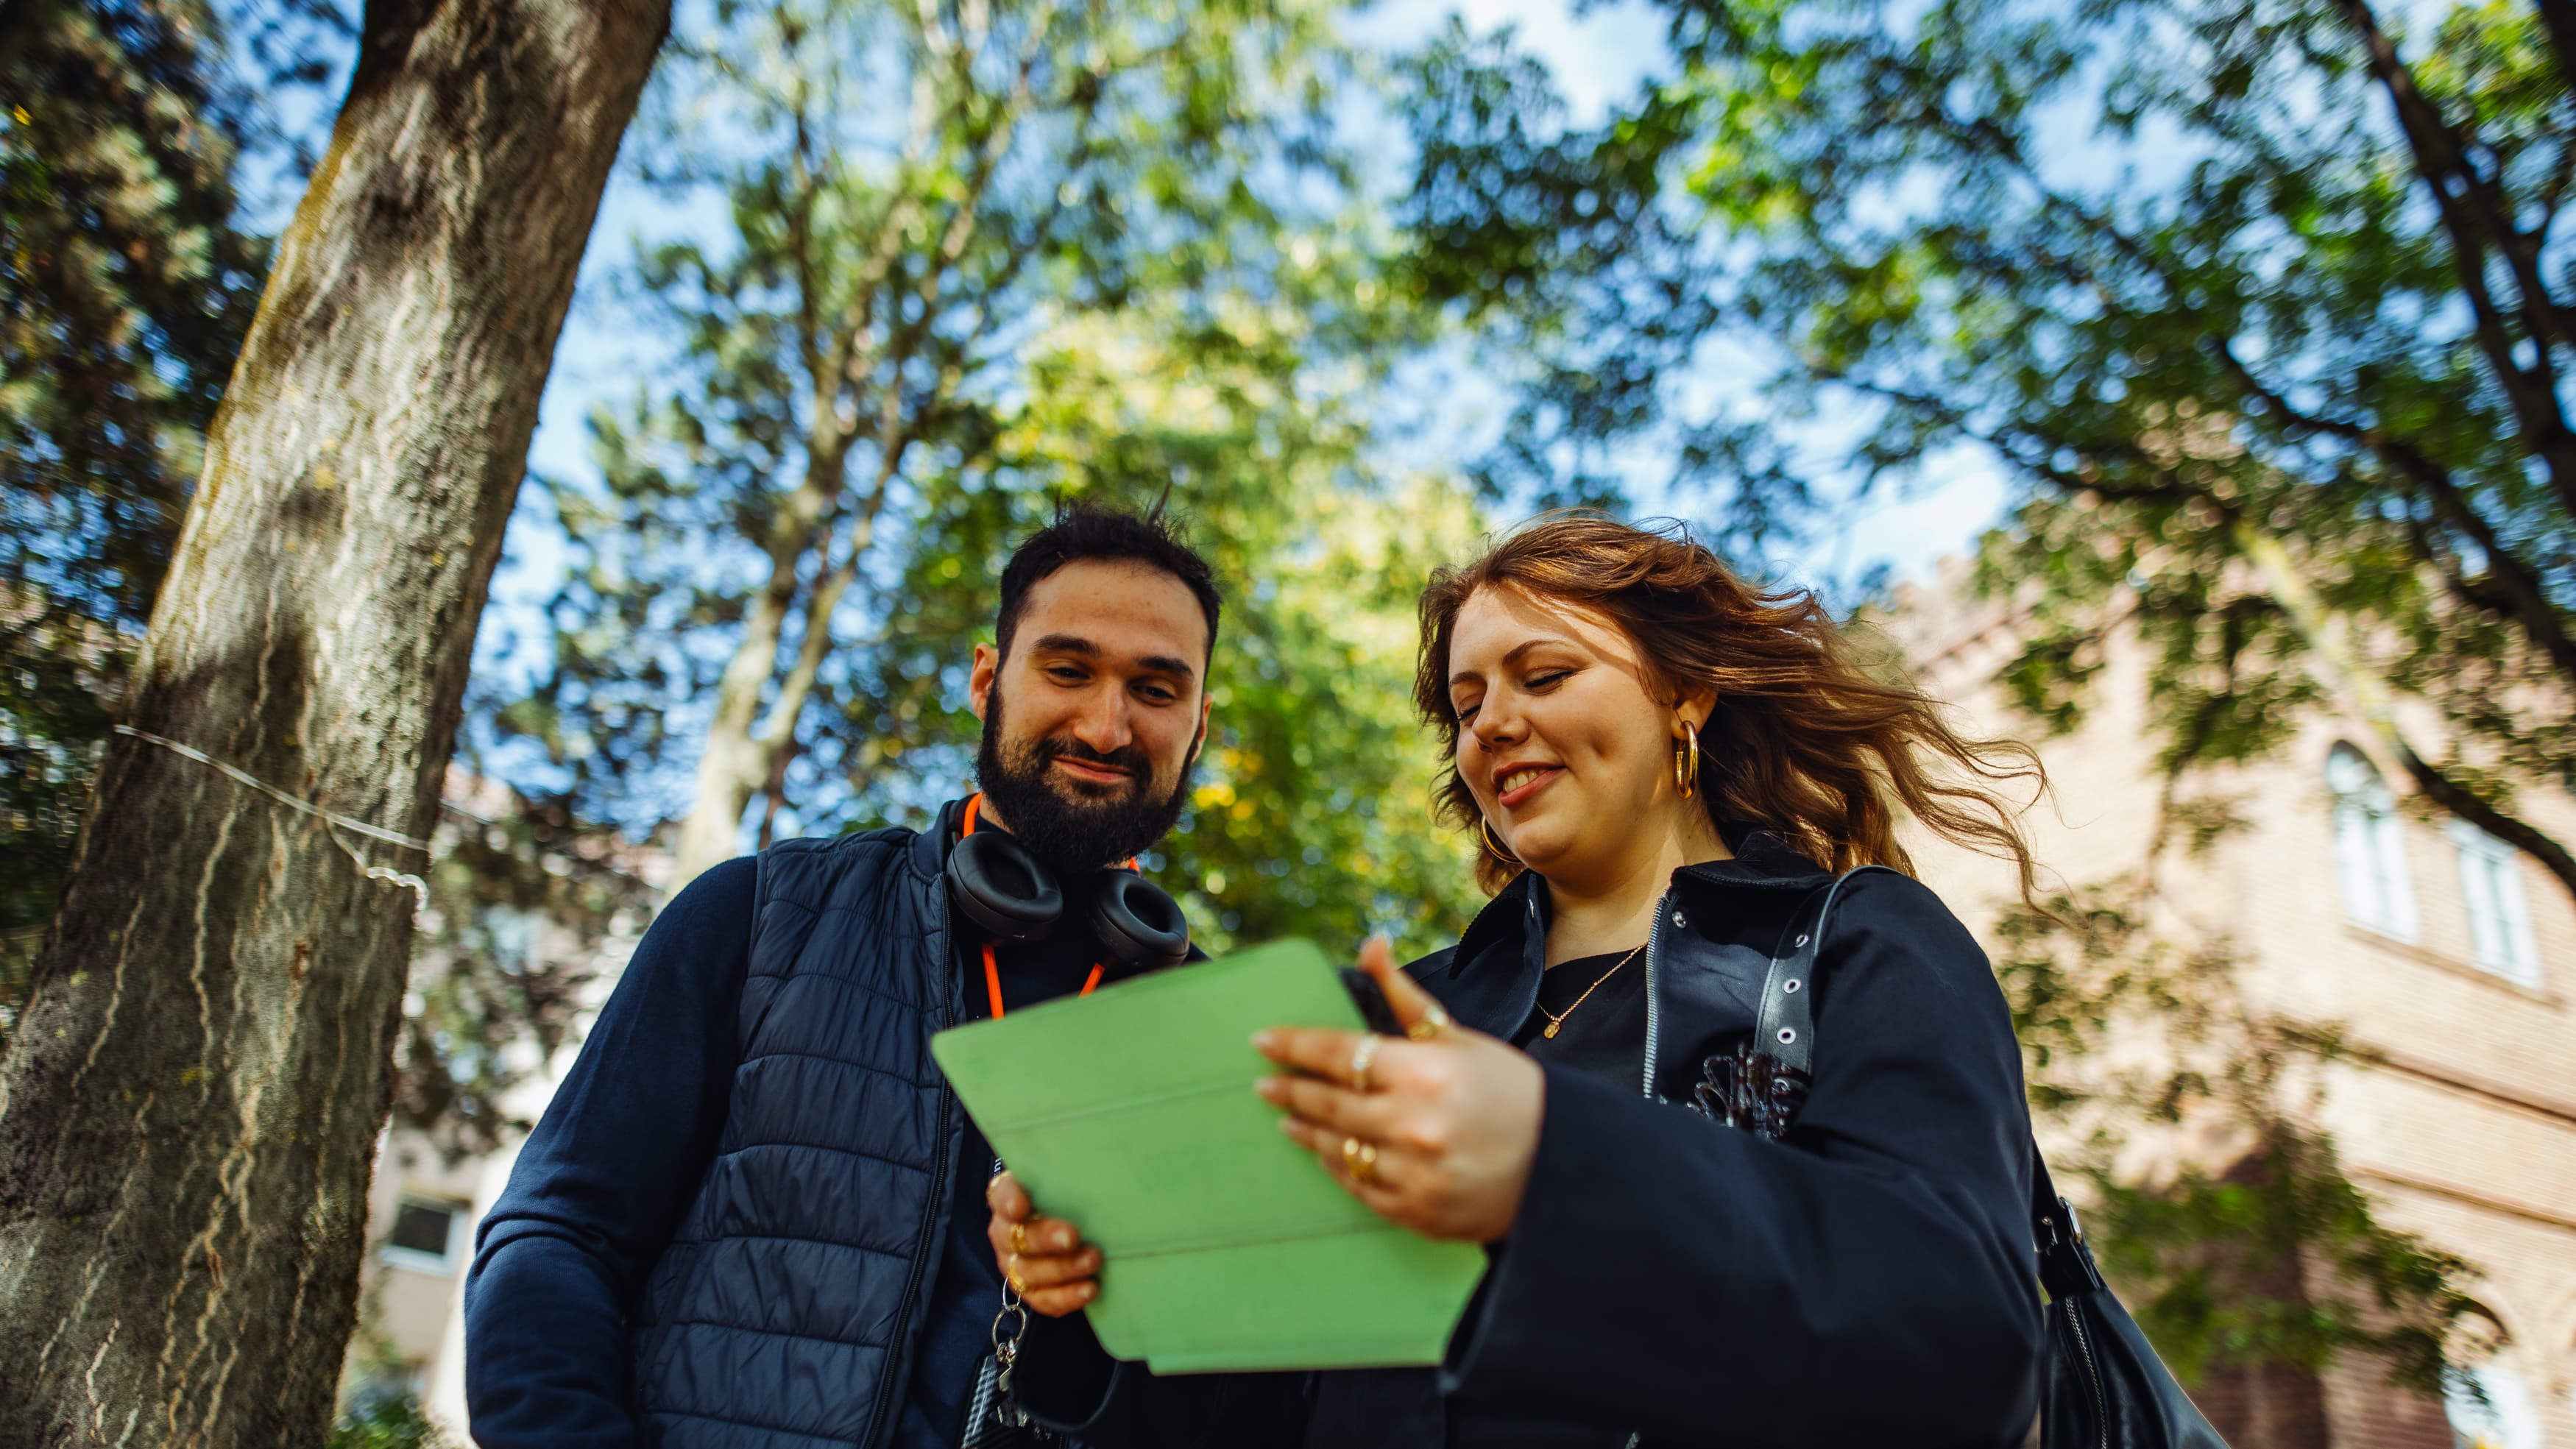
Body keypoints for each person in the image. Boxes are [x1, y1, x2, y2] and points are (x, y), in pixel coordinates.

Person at [994, 512, 2055, 1447]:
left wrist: (1550, 1167)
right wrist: (1090, 1295)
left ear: (1686, 694)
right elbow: (1262, 1409)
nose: (1490, 723)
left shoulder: (1859, 945)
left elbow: (1971, 1347)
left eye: (1542, 676)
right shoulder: (1391, 1015)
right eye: (1465, 703)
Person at [461, 503, 1225, 1449]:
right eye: (1067, 669)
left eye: (1155, 689)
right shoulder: (755, 914)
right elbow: (555, 1236)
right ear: (987, 680)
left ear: (1195, 730)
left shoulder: (1222, 1037)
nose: (1106, 724)